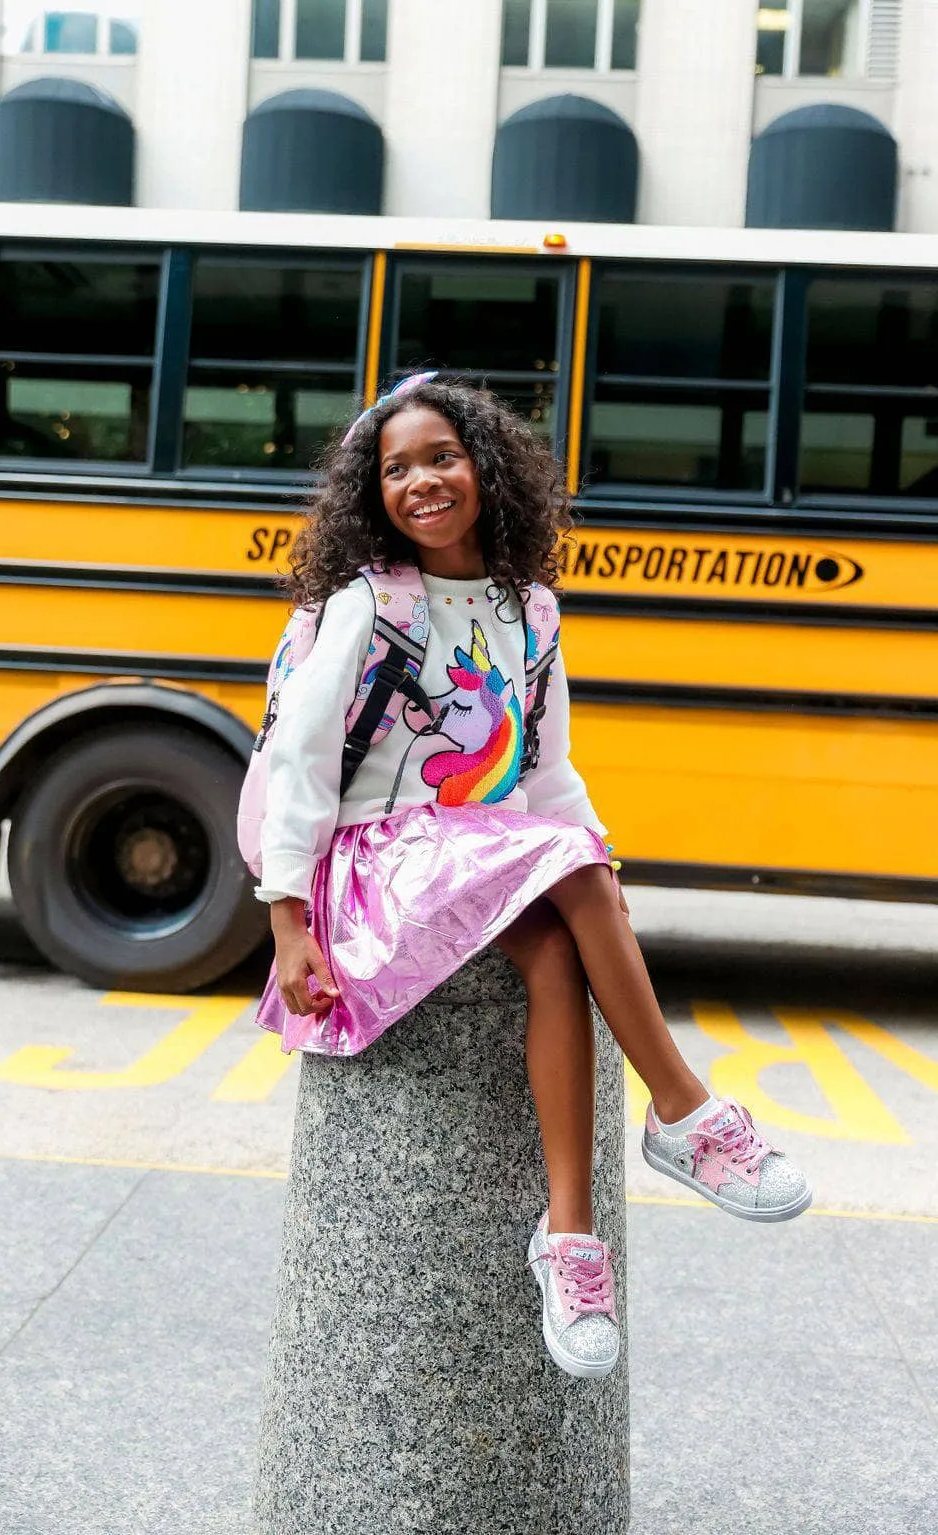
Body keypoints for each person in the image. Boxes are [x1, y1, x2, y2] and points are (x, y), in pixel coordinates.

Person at [252, 374, 812, 1381]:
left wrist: (590, 854)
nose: (421, 480)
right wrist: (289, 921)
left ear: (485, 468)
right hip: (376, 864)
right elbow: (296, 757)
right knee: (572, 873)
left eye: (441, 457)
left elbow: (545, 770)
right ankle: (684, 1113)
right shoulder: (369, 603)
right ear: (369, 493)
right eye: (396, 468)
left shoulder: (530, 609)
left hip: (482, 854)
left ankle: (568, 1242)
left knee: (557, 954)